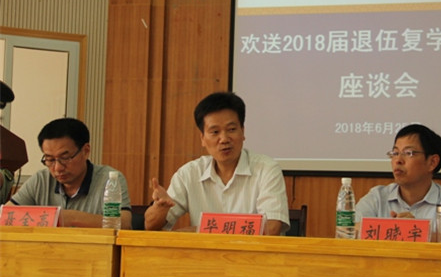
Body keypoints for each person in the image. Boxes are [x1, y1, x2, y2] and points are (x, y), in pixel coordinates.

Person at [144, 92, 290, 234]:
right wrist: (160, 208)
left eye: (231, 129)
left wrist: (199, 231)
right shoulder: (189, 173)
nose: (224, 139)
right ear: (202, 138)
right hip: (204, 252)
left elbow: (271, 229)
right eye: (215, 132)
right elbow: (150, 225)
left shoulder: (267, 169)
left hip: (251, 251)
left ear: (243, 131)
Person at [6, 118, 133, 229]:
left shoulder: (109, 180)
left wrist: (70, 218)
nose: (58, 168)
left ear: (85, 151)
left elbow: (124, 223)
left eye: (65, 158)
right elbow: (6, 216)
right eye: (50, 159)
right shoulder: (41, 180)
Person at [355, 124, 441, 239]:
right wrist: (397, 230)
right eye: (395, 153)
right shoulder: (377, 198)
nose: (398, 160)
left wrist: (414, 230)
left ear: (432, 162)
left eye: (408, 153)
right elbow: (350, 231)